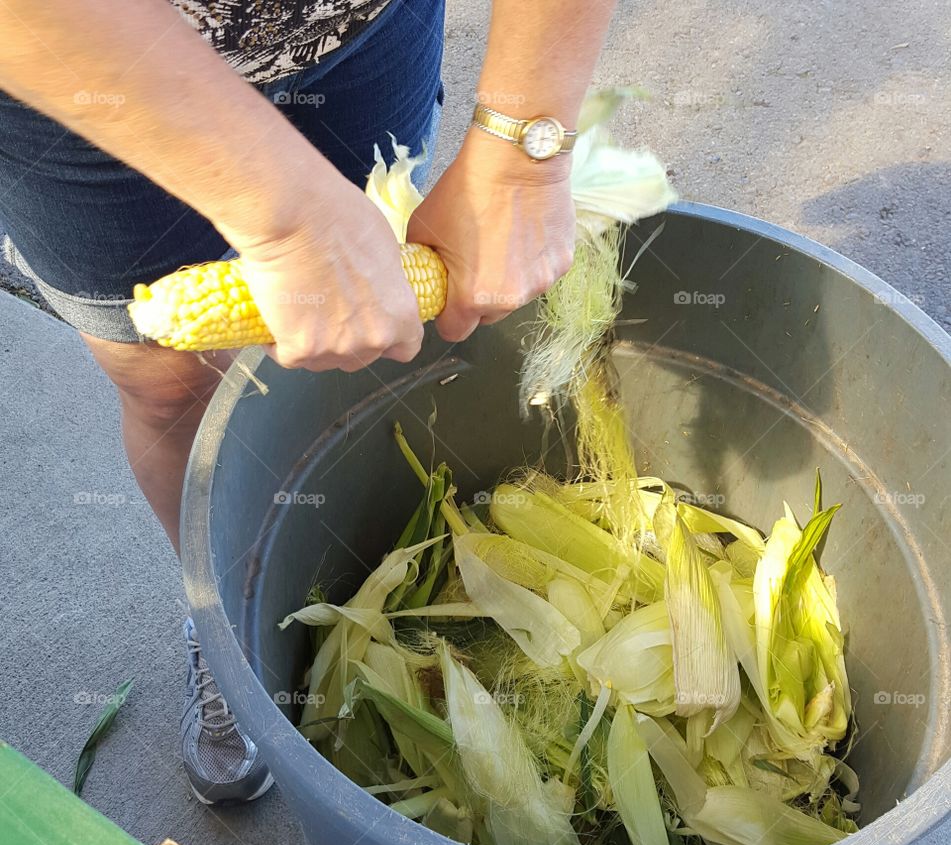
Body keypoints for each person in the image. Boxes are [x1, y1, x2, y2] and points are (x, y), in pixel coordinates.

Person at [0, 0, 618, 802]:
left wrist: (525, 146)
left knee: (350, 338)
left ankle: (338, 558)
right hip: (75, 61)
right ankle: (222, 621)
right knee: (167, 384)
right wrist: (290, 222)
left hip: (349, 29)